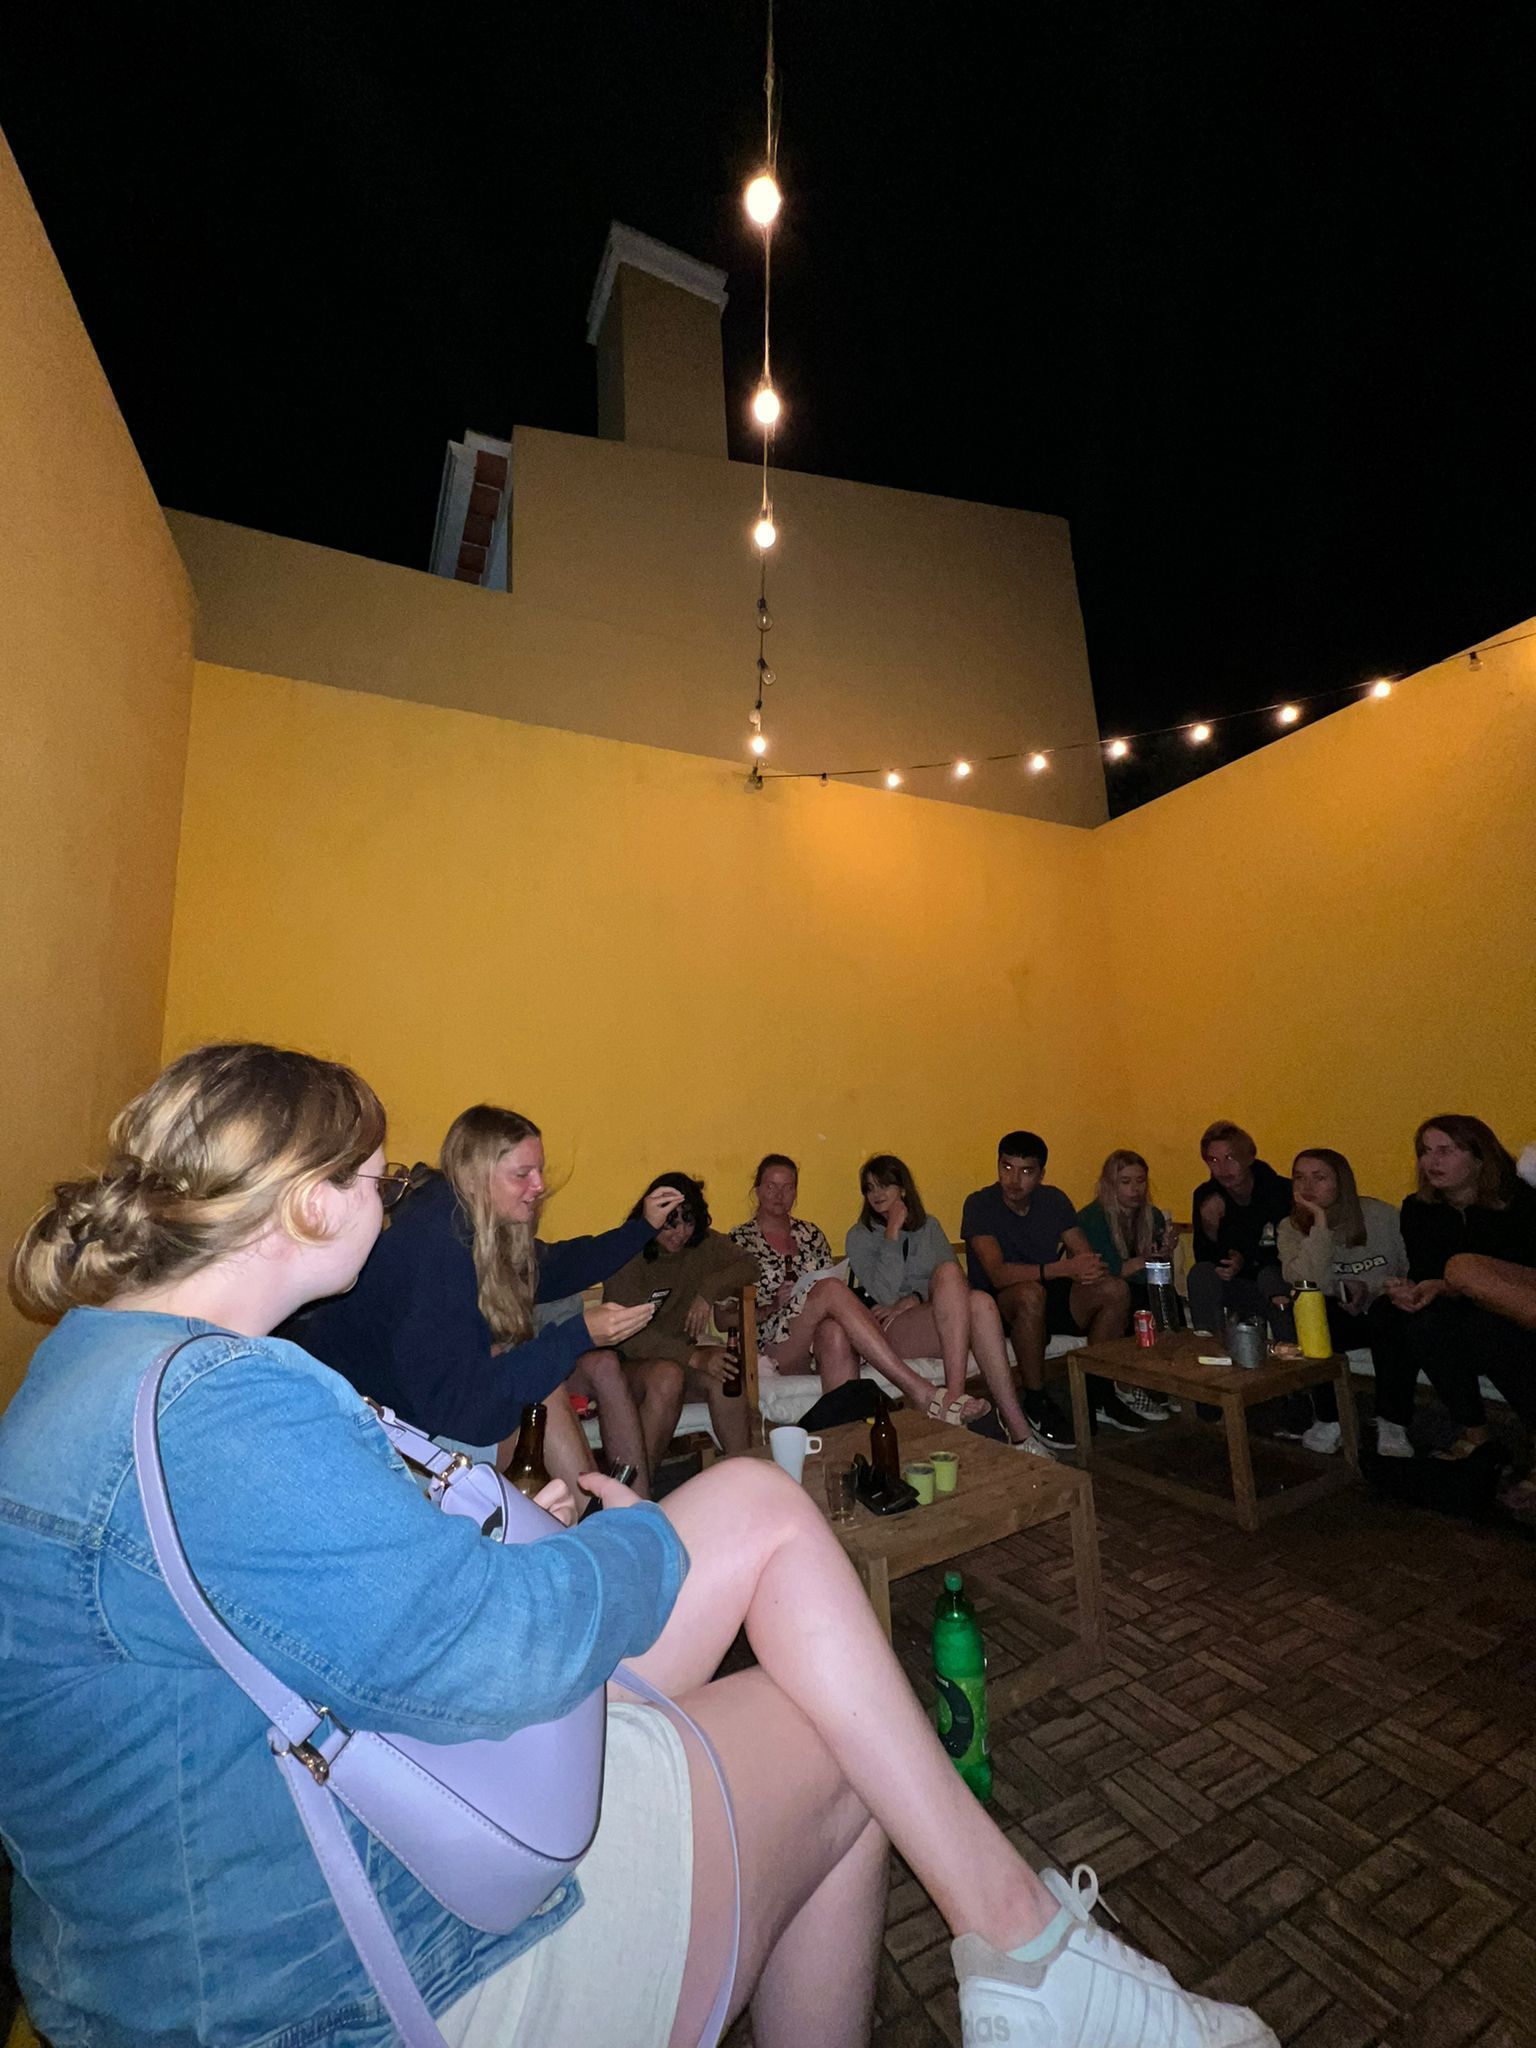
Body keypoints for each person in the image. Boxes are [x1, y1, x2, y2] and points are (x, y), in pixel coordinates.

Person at [0, 1042, 1278, 2048]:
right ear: (302, 1201)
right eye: (371, 1179)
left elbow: (310, 1597)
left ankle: (1022, 1948)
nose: (391, 1205)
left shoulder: (100, 1373)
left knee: (764, 1554)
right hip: (328, 1980)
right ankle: (1024, 1947)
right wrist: (602, 1541)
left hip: (225, 1890)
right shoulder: (214, 1402)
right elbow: (492, 1649)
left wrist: (530, 1524)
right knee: (832, 1714)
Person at [288, 1103, 684, 1498]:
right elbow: (464, 1410)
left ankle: (631, 1516)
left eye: (540, 1170)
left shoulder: (473, 1227)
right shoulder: (435, 1246)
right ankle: (609, 1538)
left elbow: (559, 1267)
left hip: (424, 1409)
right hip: (384, 1443)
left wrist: (642, 1228)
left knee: (595, 1366)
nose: (540, 1185)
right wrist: (578, 1333)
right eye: (522, 1174)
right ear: (477, 1176)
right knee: (540, 1388)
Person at [730, 1153, 986, 1423]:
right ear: (757, 1189)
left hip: (817, 1336)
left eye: (788, 1187)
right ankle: (919, 1390)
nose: (779, 1194)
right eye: (771, 1186)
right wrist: (772, 1306)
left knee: (834, 1330)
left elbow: (831, 1283)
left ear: (796, 1191)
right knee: (829, 1290)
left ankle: (850, 1442)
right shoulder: (738, 1241)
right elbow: (725, 1318)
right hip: (777, 1341)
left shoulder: (811, 1235)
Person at [845, 1154, 1047, 1452]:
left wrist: (913, 1298)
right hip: (890, 1329)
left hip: (937, 1318)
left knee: (976, 1299)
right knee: (973, 1300)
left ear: (902, 1189)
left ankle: (1019, 1432)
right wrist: (892, 1233)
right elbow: (885, 1295)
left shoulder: (929, 1226)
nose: (876, 1194)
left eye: (884, 1185)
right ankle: (956, 1401)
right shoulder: (859, 1236)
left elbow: (955, 1285)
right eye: (870, 1188)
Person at [962, 1131, 1145, 1447]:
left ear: (1041, 1174)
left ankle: (1097, 1392)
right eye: (1006, 1168)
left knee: (1114, 1290)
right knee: (1030, 1293)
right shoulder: (980, 1204)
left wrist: (1088, 1269)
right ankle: (1035, 1398)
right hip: (999, 1304)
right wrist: (1062, 1269)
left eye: (1026, 1171)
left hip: (1050, 1291)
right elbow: (997, 1274)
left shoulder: (1054, 1200)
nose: (1014, 1179)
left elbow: (1084, 1255)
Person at [1371, 1115, 1536, 1464]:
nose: (1432, 1161)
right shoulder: (1419, 1209)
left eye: (1445, 1150)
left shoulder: (1521, 1203)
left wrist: (1447, 1285)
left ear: (1480, 1158)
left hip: (1507, 1309)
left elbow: (1517, 1281)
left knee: (1483, 1328)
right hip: (1452, 1301)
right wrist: (1406, 1290)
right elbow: (1426, 1272)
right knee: (1399, 1314)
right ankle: (1472, 1430)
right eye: (1425, 1152)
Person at [604, 1172, 759, 1460]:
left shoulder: (700, 1245)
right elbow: (626, 1335)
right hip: (629, 1362)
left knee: (727, 1371)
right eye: (670, 1224)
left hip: (679, 1355)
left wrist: (707, 1291)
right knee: (667, 1376)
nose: (680, 1233)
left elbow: (749, 1264)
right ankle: (639, 1491)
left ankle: (744, 1470)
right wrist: (694, 1357)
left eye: (688, 1222)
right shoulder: (628, 1251)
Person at [1275, 1147, 1408, 1454]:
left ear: (1341, 1182)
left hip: (1380, 1306)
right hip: (1335, 1311)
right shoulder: (1289, 1228)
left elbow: (1403, 1270)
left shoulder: (1381, 1216)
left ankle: (1392, 1421)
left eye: (1319, 1178)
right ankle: (1329, 1417)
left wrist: (1368, 1286)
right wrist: (1319, 1224)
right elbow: (1308, 1283)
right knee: (1312, 1310)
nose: (1307, 1187)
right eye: (1299, 1178)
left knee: (1391, 1316)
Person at [1076, 1149, 1181, 1421]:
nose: (1135, 1189)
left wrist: (1164, 1253)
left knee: (1170, 1303)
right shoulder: (1092, 1218)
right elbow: (1109, 1271)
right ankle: (1126, 1387)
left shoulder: (1152, 1216)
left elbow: (1154, 1271)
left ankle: (1164, 1382)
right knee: (1137, 1304)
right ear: (1110, 1184)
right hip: (1098, 1293)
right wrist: (1147, 1259)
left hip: (1138, 1285)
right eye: (1125, 1182)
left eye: (1140, 1181)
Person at [1187, 1121, 1292, 1337]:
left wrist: (1245, 1260)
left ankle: (1289, 1348)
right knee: (1201, 1274)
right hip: (1236, 1285)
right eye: (1213, 1160)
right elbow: (1204, 1256)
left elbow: (1284, 1252)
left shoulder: (1280, 1191)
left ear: (1248, 1157)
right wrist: (1210, 1228)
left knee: (1271, 1276)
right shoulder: (1206, 1196)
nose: (1222, 1169)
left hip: (1274, 1281)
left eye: (1230, 1158)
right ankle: (1208, 1345)